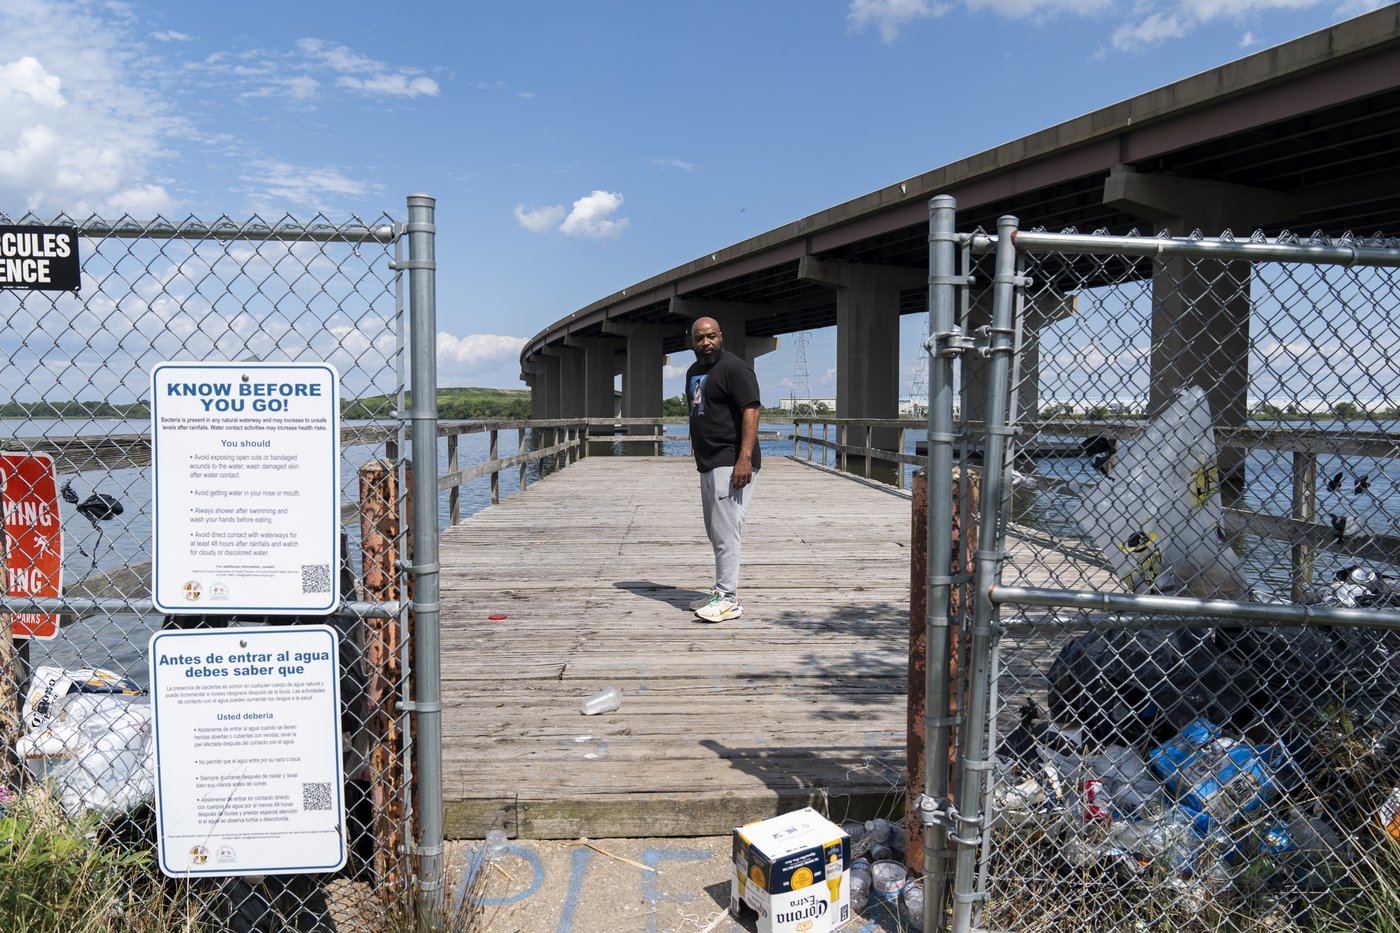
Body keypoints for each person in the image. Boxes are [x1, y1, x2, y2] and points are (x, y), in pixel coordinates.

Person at [685, 316, 761, 622]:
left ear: (722, 337)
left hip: (731, 461)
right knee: (716, 531)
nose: (706, 343)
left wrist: (744, 459)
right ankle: (719, 592)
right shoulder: (694, 371)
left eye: (711, 336)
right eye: (700, 338)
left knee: (726, 532)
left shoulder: (735, 368)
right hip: (709, 462)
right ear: (692, 342)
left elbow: (751, 411)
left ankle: (728, 598)